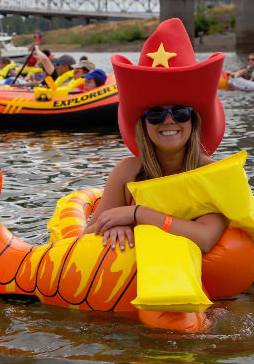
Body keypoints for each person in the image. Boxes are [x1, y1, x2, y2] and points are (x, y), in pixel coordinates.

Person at [83, 18, 228, 253]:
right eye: (155, 114)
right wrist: (110, 227)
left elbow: (206, 237)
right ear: (143, 124)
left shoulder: (212, 174)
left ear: (194, 121)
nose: (168, 120)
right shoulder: (127, 173)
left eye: (180, 113)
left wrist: (136, 214)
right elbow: (88, 233)